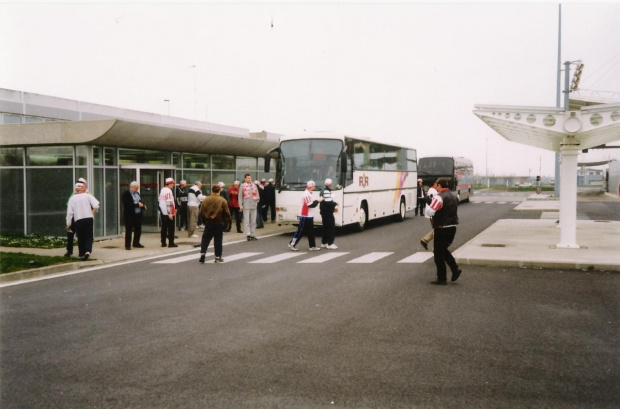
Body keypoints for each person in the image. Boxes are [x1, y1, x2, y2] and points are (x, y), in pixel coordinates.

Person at [425, 177, 462, 285]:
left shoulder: (439, 198)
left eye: (436, 185)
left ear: (439, 186)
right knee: (443, 249)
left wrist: (429, 203)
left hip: (442, 228)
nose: (435, 187)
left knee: (438, 253)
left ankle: (442, 278)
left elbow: (430, 212)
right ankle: (455, 270)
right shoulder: (455, 196)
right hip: (452, 227)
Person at [66, 182, 100, 260]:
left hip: (78, 219)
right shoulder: (88, 196)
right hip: (89, 218)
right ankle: (88, 250)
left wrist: (68, 224)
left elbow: (69, 213)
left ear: (75, 189)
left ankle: (81, 253)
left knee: (80, 237)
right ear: (83, 188)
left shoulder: (72, 198)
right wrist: (91, 210)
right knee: (89, 236)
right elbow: (96, 205)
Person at [198, 184, 232, 264]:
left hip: (208, 222)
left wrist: (204, 221)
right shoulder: (222, 200)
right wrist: (227, 222)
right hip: (218, 222)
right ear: (219, 191)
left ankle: (203, 253)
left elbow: (201, 212)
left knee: (205, 239)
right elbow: (227, 213)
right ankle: (217, 257)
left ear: (212, 191)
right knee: (218, 240)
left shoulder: (206, 200)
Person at [288, 180, 322, 251]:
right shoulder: (306, 194)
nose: (314, 187)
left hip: (308, 215)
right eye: (313, 186)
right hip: (304, 215)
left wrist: (316, 201)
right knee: (300, 231)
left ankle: (312, 246)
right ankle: (292, 243)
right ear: (311, 186)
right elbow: (310, 205)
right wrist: (318, 201)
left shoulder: (309, 193)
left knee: (311, 231)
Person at [64, 177, 89, 257]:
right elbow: (69, 207)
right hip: (73, 217)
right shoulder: (73, 194)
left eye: (81, 183)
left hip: (82, 218)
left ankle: (82, 251)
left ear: (85, 185)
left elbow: (93, 206)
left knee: (81, 235)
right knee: (70, 234)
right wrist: (68, 221)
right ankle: (69, 250)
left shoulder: (88, 194)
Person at [122, 181, 146, 250]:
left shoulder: (137, 193)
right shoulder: (126, 194)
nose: (137, 189)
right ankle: (127, 245)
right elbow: (127, 205)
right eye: (136, 188)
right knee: (129, 230)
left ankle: (136, 242)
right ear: (131, 187)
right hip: (130, 215)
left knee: (138, 229)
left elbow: (140, 201)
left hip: (137, 214)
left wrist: (143, 206)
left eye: (137, 188)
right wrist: (137, 205)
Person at [239, 174, 259, 241]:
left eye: (250, 178)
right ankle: (248, 234)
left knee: (253, 221)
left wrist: (256, 202)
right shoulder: (242, 186)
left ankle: (252, 234)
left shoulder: (254, 185)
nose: (249, 179)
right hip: (246, 205)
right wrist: (240, 205)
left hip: (253, 205)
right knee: (246, 220)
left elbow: (257, 195)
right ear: (245, 179)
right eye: (247, 178)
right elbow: (240, 196)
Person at [158, 177, 177, 248]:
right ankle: (171, 243)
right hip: (168, 212)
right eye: (172, 184)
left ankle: (163, 242)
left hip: (163, 212)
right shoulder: (168, 191)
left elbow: (160, 201)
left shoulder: (162, 190)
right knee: (171, 228)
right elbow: (169, 202)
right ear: (170, 184)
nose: (173, 185)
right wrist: (170, 213)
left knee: (164, 228)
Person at [320, 178, 338, 249]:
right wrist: (335, 203)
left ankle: (324, 242)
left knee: (325, 227)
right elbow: (328, 203)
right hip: (327, 212)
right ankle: (330, 243)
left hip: (323, 211)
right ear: (330, 184)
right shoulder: (326, 191)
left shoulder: (323, 190)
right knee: (331, 227)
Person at [420, 181, 438, 250]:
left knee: (436, 230)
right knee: (437, 231)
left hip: (431, 213)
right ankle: (435, 248)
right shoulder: (434, 191)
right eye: (437, 184)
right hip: (433, 213)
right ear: (434, 184)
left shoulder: (431, 190)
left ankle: (425, 240)